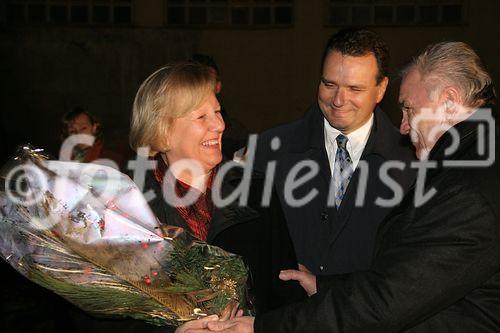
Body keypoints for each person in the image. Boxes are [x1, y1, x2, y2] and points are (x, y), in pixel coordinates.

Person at [204, 41, 500, 333]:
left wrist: (263, 328)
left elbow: (389, 298)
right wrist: (324, 285)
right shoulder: (470, 164)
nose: (405, 126)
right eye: (329, 84)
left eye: (409, 109)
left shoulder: (468, 188)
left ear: (449, 101)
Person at [252, 28, 416, 276]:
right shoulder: (268, 149)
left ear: (381, 89)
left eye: (354, 89)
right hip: (286, 311)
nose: (339, 100)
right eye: (330, 84)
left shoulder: (412, 163)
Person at [189, 53, 249, 160]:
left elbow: (242, 169)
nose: (219, 126)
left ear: (218, 86)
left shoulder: (237, 133)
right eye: (197, 81)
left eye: (209, 81)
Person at [60, 107, 129, 170]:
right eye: (72, 131)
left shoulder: (110, 156)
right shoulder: (66, 159)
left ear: (94, 128)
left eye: (83, 128)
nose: (79, 134)